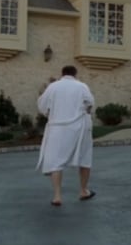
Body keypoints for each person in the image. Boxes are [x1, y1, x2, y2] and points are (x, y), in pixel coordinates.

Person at [36, 65, 96, 207]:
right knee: (84, 158)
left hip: (57, 127)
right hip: (79, 127)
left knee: (56, 161)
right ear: (75, 74)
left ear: (62, 74)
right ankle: (83, 190)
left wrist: (50, 114)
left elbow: (42, 105)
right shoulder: (81, 86)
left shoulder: (53, 87)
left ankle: (57, 196)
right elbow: (90, 103)